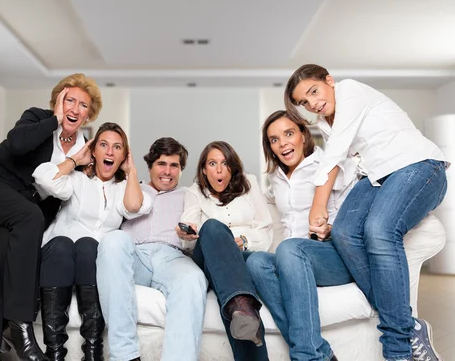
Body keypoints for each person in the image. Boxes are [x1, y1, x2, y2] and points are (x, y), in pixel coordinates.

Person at [285, 64, 448, 361]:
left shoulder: (349, 90)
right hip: (376, 176)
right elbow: (345, 165)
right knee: (345, 233)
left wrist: (317, 207)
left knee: (379, 230)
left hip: (419, 166)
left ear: (329, 81)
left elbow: (334, 155)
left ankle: (398, 350)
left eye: (314, 91)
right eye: (305, 103)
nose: (313, 104)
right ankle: (408, 325)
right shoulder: (325, 123)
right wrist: (324, 217)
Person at [0, 74, 102, 361]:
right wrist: (55, 119)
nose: (75, 109)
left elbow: (59, 199)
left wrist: (78, 163)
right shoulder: (38, 119)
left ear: (90, 113)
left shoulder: (83, 148)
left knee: (2, 250)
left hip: (16, 211)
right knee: (29, 216)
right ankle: (21, 326)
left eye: (83, 105)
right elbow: (16, 144)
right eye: (69, 100)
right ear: (58, 101)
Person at [32, 122, 151, 361]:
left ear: (123, 155)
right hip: (60, 258)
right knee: (64, 243)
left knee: (89, 246)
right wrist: (75, 159)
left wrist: (132, 172)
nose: (109, 152)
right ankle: (55, 352)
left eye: (117, 147)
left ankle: (93, 351)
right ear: (93, 150)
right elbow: (43, 178)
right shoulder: (76, 180)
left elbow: (135, 206)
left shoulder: (122, 189)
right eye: (104, 145)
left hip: (90, 261)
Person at [246, 110, 358, 361]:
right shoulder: (275, 178)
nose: (283, 143)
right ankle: (320, 350)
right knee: (256, 262)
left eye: (288, 133)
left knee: (289, 248)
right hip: (292, 261)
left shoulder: (328, 167)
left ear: (303, 135)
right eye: (274, 139)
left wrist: (330, 229)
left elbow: (353, 215)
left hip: (331, 257)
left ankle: (305, 356)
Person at [96, 137, 208, 361]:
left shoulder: (190, 195)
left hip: (172, 258)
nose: (167, 171)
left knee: (193, 277)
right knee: (113, 240)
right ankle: (124, 355)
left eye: (174, 165)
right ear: (150, 166)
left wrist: (190, 236)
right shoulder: (131, 188)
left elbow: (199, 230)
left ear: (181, 169)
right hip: (134, 255)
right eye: (161, 164)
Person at [180, 141, 272, 361]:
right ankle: (242, 304)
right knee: (211, 227)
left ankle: (241, 307)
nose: (219, 170)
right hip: (209, 258)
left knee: (241, 307)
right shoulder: (194, 192)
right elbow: (190, 228)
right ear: (204, 169)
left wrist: (243, 240)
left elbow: (266, 228)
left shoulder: (250, 183)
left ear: (232, 166)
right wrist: (187, 232)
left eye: (224, 163)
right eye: (212, 163)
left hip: (243, 256)